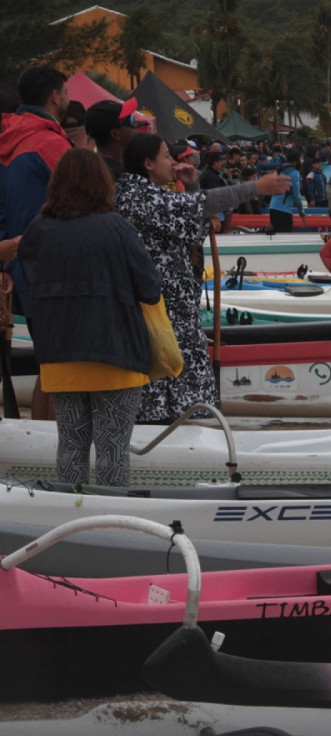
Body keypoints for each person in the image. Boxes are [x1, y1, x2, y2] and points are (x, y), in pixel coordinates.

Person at [114, 133, 288, 423]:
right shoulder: (139, 196)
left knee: (178, 383)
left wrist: (192, 184)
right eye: (166, 156)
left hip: (170, 307)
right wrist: (256, 187)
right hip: (161, 309)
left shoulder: (143, 193)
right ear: (147, 163)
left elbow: (195, 219)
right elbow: (201, 206)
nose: (173, 162)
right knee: (167, 391)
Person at [17, 148, 162, 486]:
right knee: (112, 453)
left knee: (70, 446)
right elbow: (150, 288)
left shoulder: (39, 229)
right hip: (115, 352)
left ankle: (69, 519)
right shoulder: (116, 227)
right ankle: (109, 532)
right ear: (101, 183)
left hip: (60, 354)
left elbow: (31, 282)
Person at [0, 65, 73, 421]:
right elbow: (87, 199)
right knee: (58, 367)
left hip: (20, 265)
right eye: (66, 91)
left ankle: (44, 447)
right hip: (52, 266)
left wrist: (4, 264)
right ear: (55, 96)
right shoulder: (48, 141)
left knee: (49, 365)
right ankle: (54, 453)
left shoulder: (7, 138)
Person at [85, 98, 139, 181]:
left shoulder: (90, 169)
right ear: (115, 134)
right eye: (131, 121)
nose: (137, 127)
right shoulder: (121, 179)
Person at [268, 148, 305, 232]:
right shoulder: (294, 173)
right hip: (283, 210)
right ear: (297, 159)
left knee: (277, 237)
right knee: (286, 237)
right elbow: (297, 195)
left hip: (273, 207)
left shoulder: (279, 169)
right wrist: (301, 212)